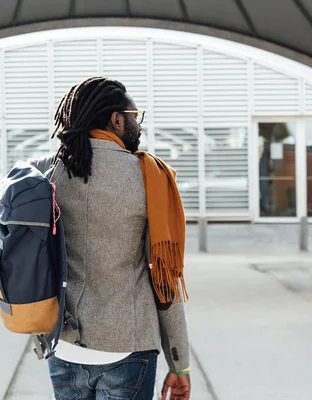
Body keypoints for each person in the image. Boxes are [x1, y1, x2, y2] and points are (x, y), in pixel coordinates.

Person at [29, 77, 191, 399]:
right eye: (135, 115)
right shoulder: (149, 178)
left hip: (63, 346)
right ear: (116, 119)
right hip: (126, 347)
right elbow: (163, 277)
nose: (138, 124)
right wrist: (179, 363)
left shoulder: (44, 172)